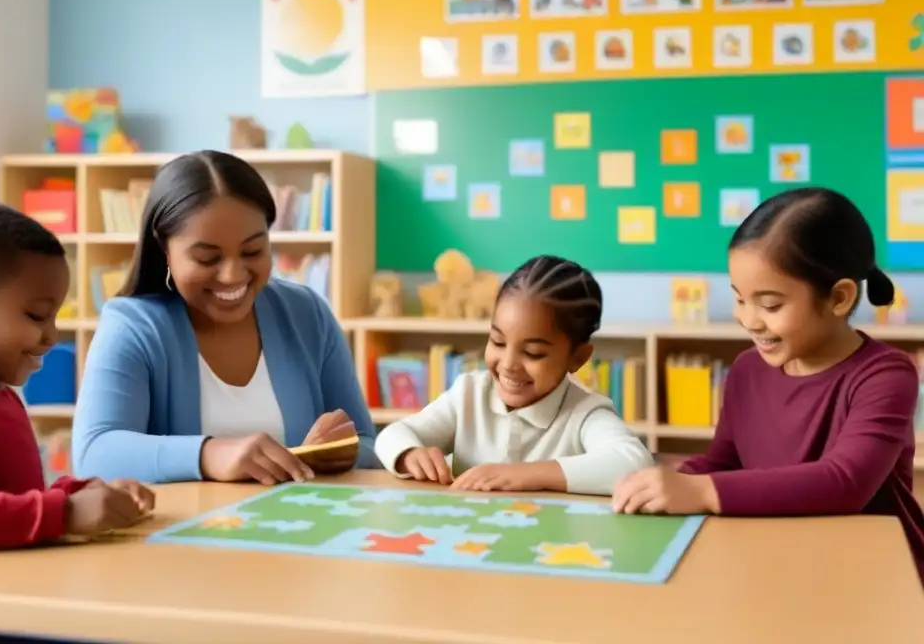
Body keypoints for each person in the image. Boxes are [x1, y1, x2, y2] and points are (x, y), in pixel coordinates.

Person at [611, 187, 924, 585]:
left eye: (771, 305)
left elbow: (845, 482)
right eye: (740, 299)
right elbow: (722, 462)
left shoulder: (885, 375)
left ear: (840, 297)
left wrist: (702, 491)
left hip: (876, 576)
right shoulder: (746, 370)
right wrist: (666, 481)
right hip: (782, 558)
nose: (749, 320)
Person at [72, 150, 378, 485]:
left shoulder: (306, 314)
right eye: (207, 258)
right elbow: (94, 454)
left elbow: (366, 443)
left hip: (295, 529)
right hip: (180, 534)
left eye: (253, 251)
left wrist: (343, 452)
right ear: (164, 249)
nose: (232, 276)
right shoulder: (134, 326)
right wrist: (210, 454)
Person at [0, 200, 154, 555]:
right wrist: (66, 513)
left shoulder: (2, 398)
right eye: (37, 316)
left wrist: (81, 494)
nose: (52, 335)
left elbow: (9, 501)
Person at [374, 255, 653, 494]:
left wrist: (527, 474)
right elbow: (395, 433)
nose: (508, 364)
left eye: (532, 353)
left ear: (577, 358)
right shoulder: (469, 395)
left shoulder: (584, 413)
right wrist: (409, 453)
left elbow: (634, 462)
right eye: (497, 342)